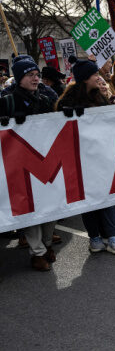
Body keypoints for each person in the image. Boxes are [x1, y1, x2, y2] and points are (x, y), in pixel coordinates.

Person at [56, 57, 115, 254]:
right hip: (80, 160)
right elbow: (56, 129)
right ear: (85, 78)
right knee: (89, 200)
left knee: (107, 197)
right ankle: (94, 238)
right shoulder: (67, 100)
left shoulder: (99, 97)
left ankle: (112, 236)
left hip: (101, 156)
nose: (99, 77)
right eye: (95, 74)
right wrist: (68, 116)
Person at [0, 57, 58, 270]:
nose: (36, 78)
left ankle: (47, 243)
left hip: (46, 161)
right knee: (31, 209)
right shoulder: (6, 101)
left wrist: (70, 115)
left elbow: (57, 124)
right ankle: (38, 252)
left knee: (52, 206)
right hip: (20, 165)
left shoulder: (44, 100)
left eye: (37, 75)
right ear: (19, 78)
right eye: (30, 75)